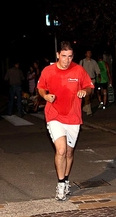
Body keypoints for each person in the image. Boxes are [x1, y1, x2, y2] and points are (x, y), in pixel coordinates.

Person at [37, 41, 94, 201]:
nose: (66, 60)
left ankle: (66, 179)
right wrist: (45, 96)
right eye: (63, 56)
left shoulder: (78, 70)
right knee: (61, 150)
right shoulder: (48, 71)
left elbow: (90, 86)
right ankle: (61, 184)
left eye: (69, 57)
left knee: (69, 152)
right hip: (54, 115)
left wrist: (85, 91)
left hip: (73, 117)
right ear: (58, 55)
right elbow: (41, 87)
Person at [79, 50, 100, 116]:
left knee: (91, 95)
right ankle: (89, 111)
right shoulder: (82, 62)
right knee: (87, 95)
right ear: (85, 54)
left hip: (92, 80)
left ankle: (85, 107)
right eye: (88, 52)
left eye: (90, 53)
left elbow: (97, 70)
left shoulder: (94, 62)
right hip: (85, 81)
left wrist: (99, 76)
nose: (89, 54)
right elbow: (79, 71)